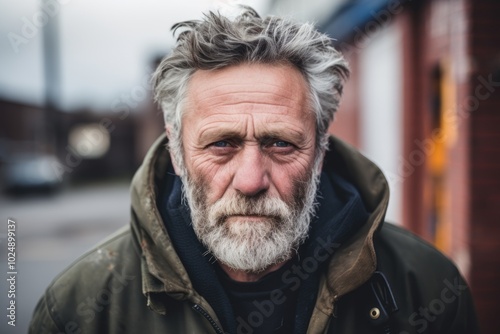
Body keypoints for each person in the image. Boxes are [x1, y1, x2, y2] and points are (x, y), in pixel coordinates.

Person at [29, 6, 479, 334]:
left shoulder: (425, 287)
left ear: (320, 151)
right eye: (221, 144)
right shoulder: (82, 309)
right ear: (178, 150)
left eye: (280, 143)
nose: (250, 180)